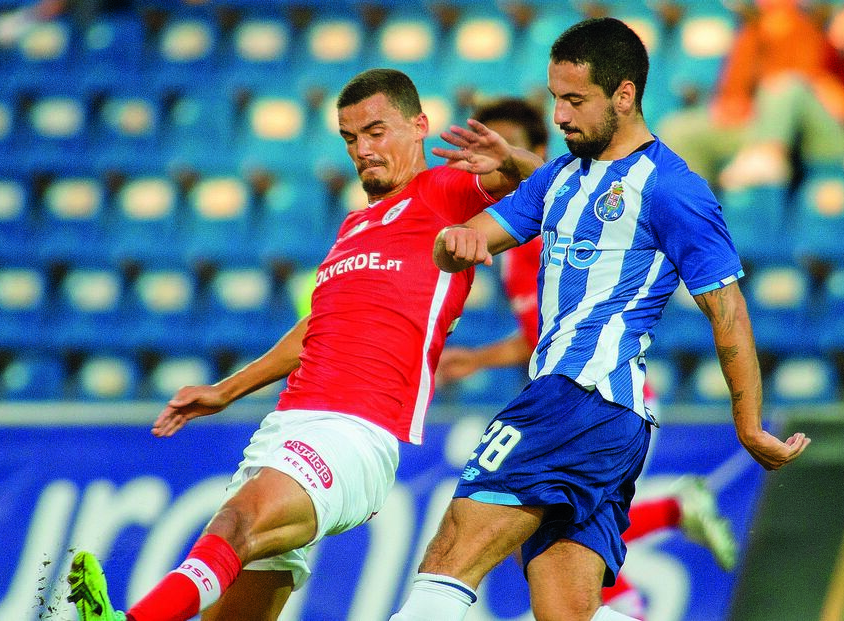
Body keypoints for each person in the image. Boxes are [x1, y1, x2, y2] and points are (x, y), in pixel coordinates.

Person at [65, 67, 543, 621]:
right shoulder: (354, 227)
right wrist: (226, 390)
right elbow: (317, 326)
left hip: (353, 432)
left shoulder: (444, 191)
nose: (363, 150)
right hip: (285, 426)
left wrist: (514, 158)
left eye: (376, 132)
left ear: (419, 126)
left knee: (235, 523)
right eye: (350, 138)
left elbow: (562, 189)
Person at [390, 18, 810, 621]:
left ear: (624, 95)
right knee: (566, 610)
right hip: (606, 419)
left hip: (578, 396)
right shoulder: (559, 177)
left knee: (452, 551)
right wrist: (453, 242)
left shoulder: (672, 188)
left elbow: (729, 312)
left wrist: (748, 426)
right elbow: (470, 237)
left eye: (575, 100)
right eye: (555, 98)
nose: (560, 115)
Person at [436, 97, 738, 619]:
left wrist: (479, 359)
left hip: (595, 394)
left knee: (503, 525)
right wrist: (481, 359)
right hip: (590, 392)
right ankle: (657, 548)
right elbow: (544, 333)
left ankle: (673, 509)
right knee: (559, 559)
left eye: (507, 148)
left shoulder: (552, 223)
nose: (488, 162)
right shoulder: (512, 233)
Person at [658, 0, 844, 191]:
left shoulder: (817, 32)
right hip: (757, 124)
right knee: (679, 128)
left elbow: (824, 92)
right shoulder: (750, 33)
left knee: (783, 85)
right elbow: (733, 90)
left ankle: (766, 156)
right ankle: (691, 201)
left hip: (811, 132)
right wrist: (733, 104)